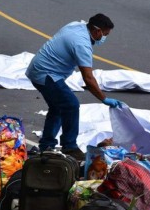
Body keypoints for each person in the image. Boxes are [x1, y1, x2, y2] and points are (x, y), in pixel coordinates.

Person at [25, 14, 122, 161]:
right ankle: (69, 146)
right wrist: (104, 98)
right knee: (71, 104)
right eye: (105, 34)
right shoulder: (81, 44)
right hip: (46, 74)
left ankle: (46, 145)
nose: (104, 38)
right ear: (97, 31)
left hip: (40, 69)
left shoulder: (77, 26)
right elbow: (88, 78)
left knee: (58, 107)